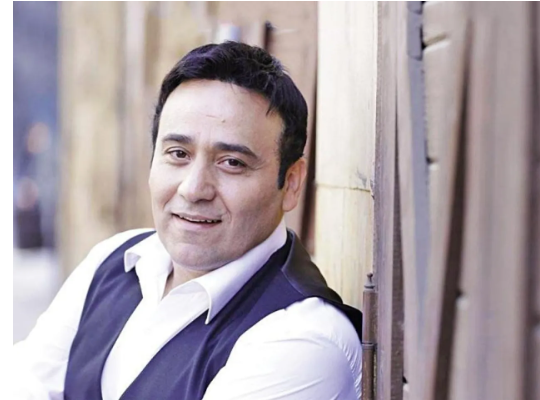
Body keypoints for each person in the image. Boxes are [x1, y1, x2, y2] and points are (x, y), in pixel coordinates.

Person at [13, 42, 363, 400]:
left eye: (232, 163)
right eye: (178, 154)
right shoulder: (113, 260)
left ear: (290, 183)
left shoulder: (304, 341)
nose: (194, 189)